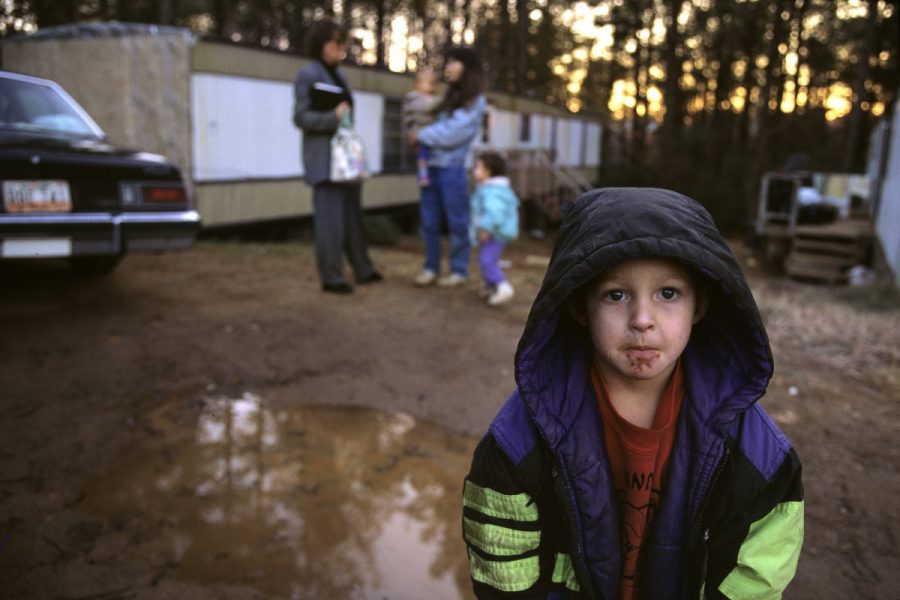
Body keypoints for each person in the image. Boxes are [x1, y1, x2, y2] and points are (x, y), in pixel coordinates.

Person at [462, 188, 804, 599]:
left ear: (700, 306)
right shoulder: (519, 440)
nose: (642, 320)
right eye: (615, 295)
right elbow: (503, 573)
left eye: (668, 293)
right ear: (577, 307)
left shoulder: (756, 451)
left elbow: (757, 576)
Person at [293, 18, 382, 295]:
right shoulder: (308, 75)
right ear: (321, 45)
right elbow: (300, 117)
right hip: (324, 161)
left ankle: (363, 269)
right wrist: (332, 117)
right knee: (330, 222)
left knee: (353, 217)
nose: (339, 49)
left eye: (341, 44)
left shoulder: (340, 76)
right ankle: (331, 276)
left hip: (346, 159)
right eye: (334, 44)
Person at [413, 47, 487, 288]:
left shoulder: (476, 99)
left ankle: (459, 270)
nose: (449, 67)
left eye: (454, 62)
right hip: (429, 167)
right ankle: (430, 268)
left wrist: (421, 135)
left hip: (452, 168)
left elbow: (455, 132)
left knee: (457, 221)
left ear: (467, 66)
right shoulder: (451, 95)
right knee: (429, 221)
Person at [469, 151, 519, 306]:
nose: (474, 171)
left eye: (477, 167)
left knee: (487, 261)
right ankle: (491, 287)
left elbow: (494, 212)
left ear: (488, 171)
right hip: (494, 232)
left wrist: (485, 228)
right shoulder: (488, 188)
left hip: (495, 233)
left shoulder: (494, 191)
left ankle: (503, 287)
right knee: (487, 259)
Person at [402, 68, 440, 187]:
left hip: (429, 136)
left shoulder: (433, 100)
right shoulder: (414, 99)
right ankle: (423, 176)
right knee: (422, 156)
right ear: (418, 84)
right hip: (419, 133)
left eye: (433, 82)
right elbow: (422, 112)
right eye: (428, 82)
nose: (431, 85)